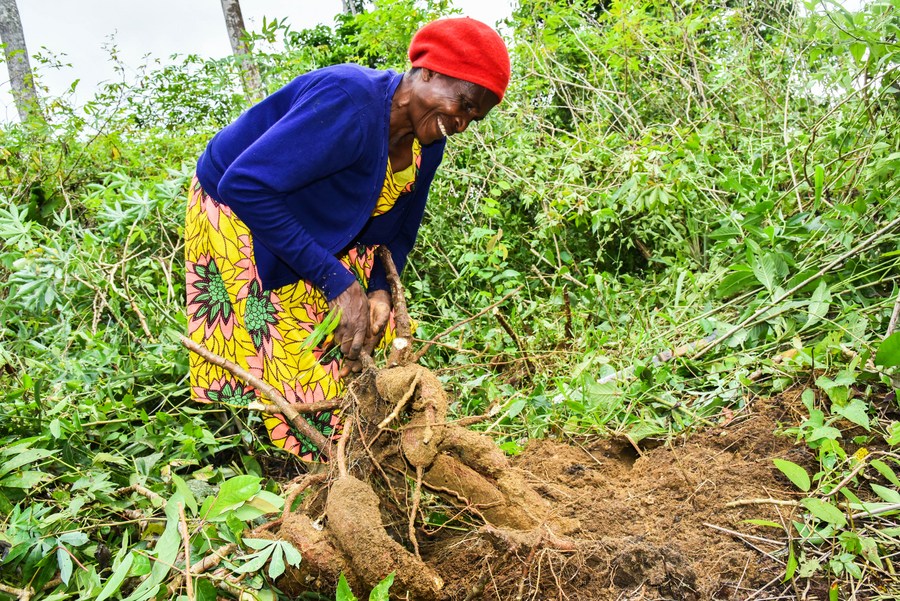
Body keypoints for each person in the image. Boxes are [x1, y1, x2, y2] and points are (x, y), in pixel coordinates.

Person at [184, 17, 510, 460]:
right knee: (298, 355)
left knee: (363, 335)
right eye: (465, 104)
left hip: (333, 223)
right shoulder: (349, 101)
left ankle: (361, 451)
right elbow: (246, 185)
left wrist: (377, 289)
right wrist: (335, 281)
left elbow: (400, 230)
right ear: (428, 71)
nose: (465, 123)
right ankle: (325, 467)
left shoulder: (428, 143)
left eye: (476, 116)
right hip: (243, 213)